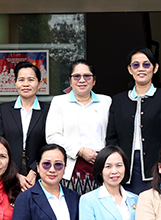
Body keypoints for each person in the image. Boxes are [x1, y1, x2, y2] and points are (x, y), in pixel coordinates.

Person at [106, 48, 161, 195]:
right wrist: (116, 163)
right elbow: (112, 137)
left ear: (155, 68)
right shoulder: (119, 100)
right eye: (136, 65)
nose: (141, 69)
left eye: (146, 64)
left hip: (156, 164)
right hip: (125, 165)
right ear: (130, 69)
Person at [45, 59, 112, 195]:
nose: (82, 80)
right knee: (73, 205)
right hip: (73, 166)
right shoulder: (59, 102)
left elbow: (112, 134)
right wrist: (80, 151)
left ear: (94, 80)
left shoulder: (106, 101)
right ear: (70, 81)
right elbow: (52, 136)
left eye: (87, 76)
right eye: (76, 76)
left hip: (102, 165)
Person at [0, 61, 49, 191]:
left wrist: (34, 171)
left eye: (31, 80)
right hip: (8, 171)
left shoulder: (48, 111)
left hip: (40, 171)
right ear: (15, 83)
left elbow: (49, 143)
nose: (26, 84)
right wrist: (14, 174)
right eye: (21, 80)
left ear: (39, 83)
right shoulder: (3, 110)